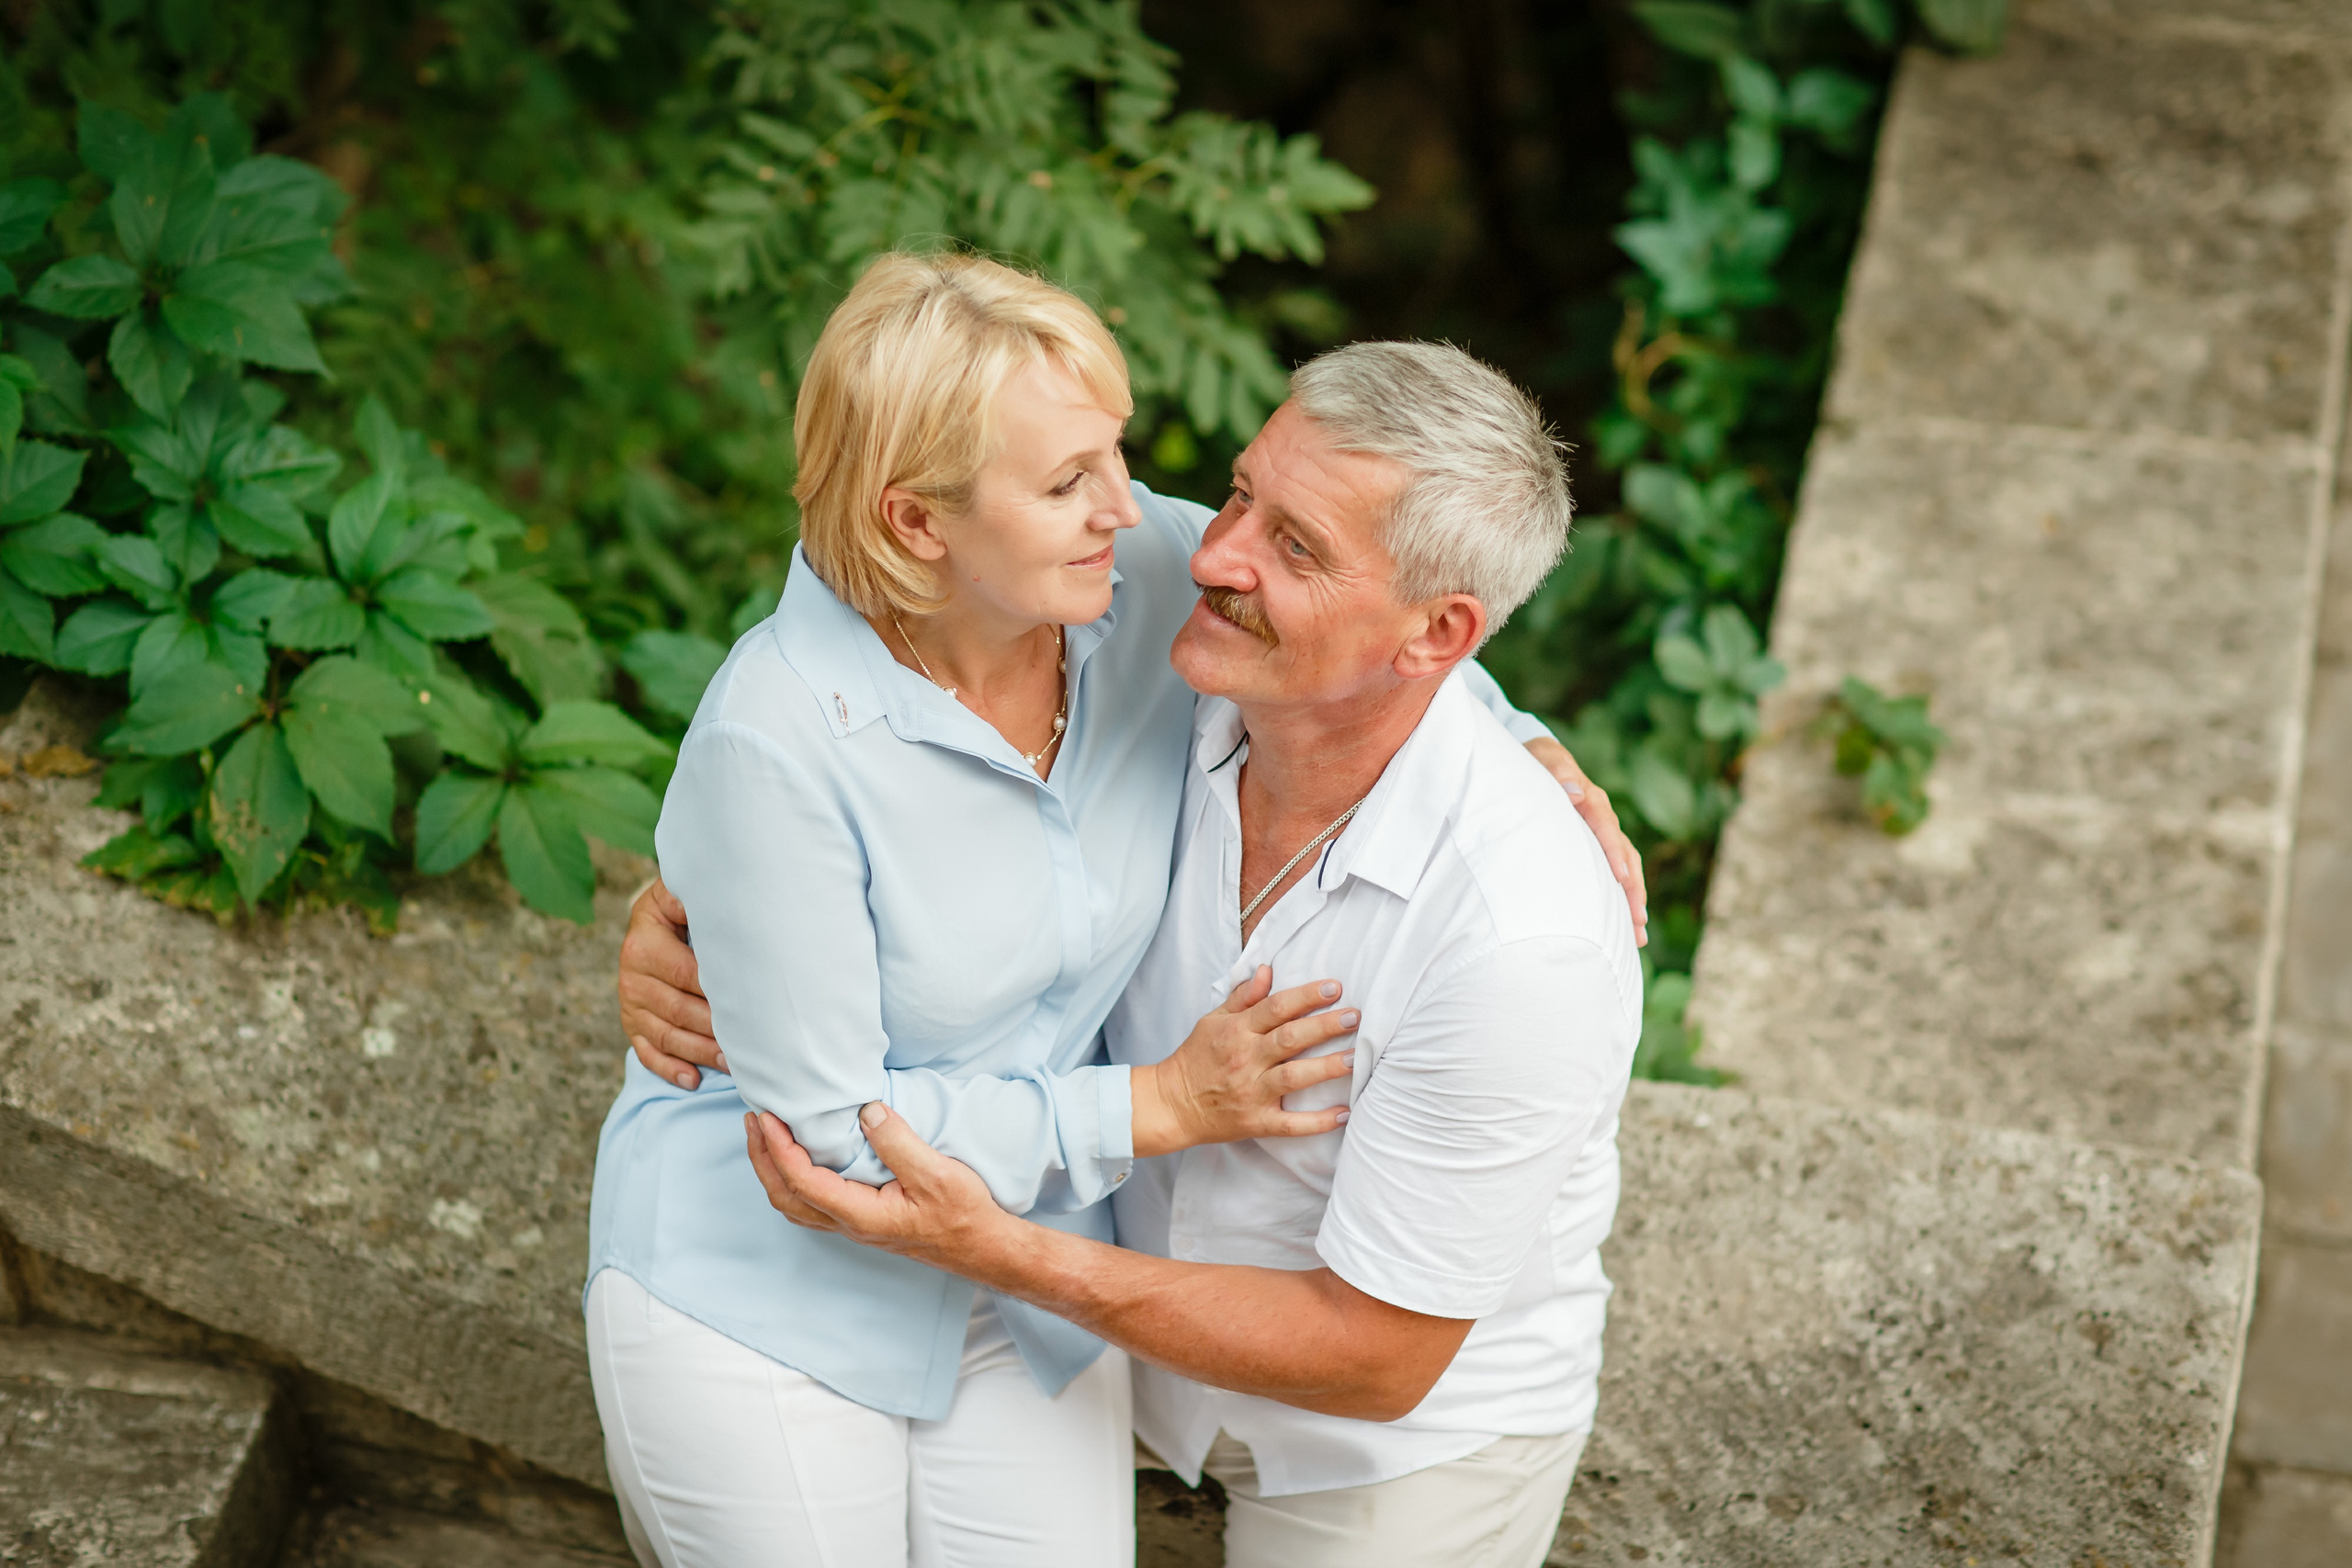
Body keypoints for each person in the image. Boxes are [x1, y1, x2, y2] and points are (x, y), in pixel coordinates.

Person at [588, 254, 1641, 1568]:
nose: (1190, 534)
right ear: (923, 523)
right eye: (1073, 480)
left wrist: (1530, 746)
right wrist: (1158, 1107)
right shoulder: (830, 716)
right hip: (787, 1272)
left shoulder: (1141, 588)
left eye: (1120, 462)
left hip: (1180, 1350)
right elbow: (819, 1122)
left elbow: (1377, 639)